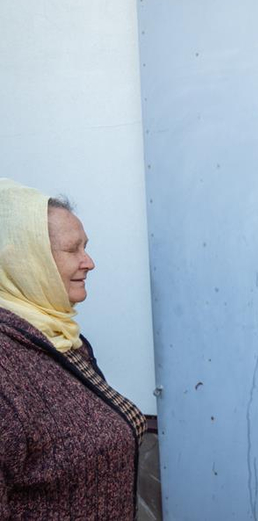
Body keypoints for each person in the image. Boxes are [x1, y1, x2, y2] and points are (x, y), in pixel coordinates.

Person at [0, 179, 146, 519]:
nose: (89, 262)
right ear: (23, 260)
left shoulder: (62, 340)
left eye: (86, 247)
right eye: (72, 249)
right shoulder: (6, 361)